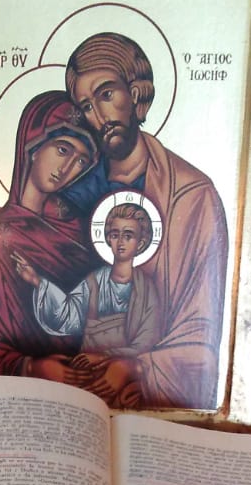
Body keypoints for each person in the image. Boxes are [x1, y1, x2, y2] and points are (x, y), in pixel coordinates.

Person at [64, 31, 229, 411]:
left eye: (107, 94)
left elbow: (200, 336)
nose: (100, 116)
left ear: (136, 93)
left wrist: (136, 369)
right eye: (87, 106)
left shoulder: (191, 195)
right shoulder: (72, 197)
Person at [0, 92, 100, 381]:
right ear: (34, 145)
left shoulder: (82, 233)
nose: (67, 168)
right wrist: (31, 367)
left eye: (80, 161)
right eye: (63, 150)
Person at [12, 202, 163, 388]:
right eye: (115, 234)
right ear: (108, 239)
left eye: (128, 235)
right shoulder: (94, 281)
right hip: (86, 370)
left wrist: (103, 356)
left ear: (140, 243)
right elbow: (68, 315)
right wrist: (37, 281)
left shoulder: (147, 289)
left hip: (122, 374)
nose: (120, 242)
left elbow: (146, 344)